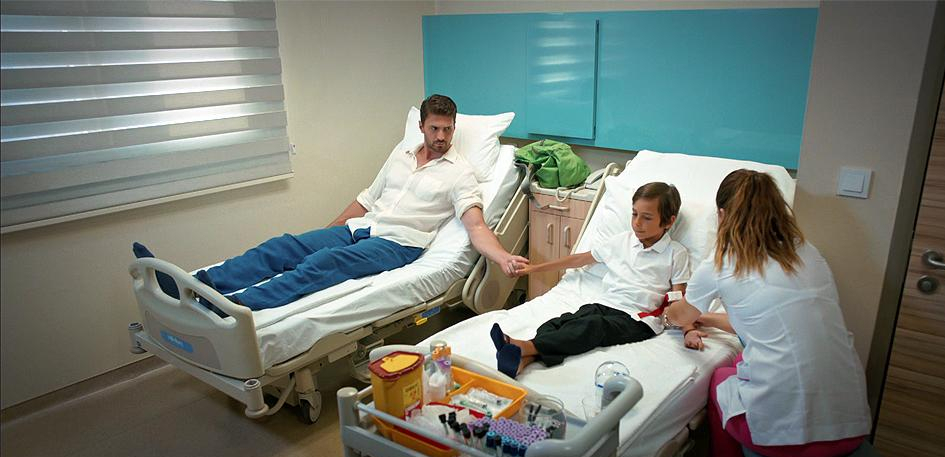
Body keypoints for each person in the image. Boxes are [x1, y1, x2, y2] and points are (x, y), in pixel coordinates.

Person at [134, 94, 528, 314]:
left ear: (454, 128)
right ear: (422, 126)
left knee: (322, 264)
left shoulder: (460, 173)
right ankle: (197, 285)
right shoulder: (401, 155)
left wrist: (502, 257)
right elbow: (365, 200)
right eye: (435, 128)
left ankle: (232, 307)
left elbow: (476, 226)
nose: (441, 136)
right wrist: (325, 233)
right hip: (359, 230)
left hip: (398, 245)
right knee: (283, 247)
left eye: (448, 129)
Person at [663, 169, 872, 457]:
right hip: (851, 424)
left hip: (792, 442)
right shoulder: (807, 254)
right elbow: (759, 322)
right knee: (741, 367)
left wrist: (674, 308)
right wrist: (706, 318)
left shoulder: (720, 263)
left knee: (721, 382)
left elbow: (681, 316)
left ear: (722, 215)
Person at [490, 182, 700, 377]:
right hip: (605, 305)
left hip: (638, 318)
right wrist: (534, 268)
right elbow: (579, 259)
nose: (637, 223)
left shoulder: (675, 253)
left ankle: (522, 346)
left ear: (669, 221)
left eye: (646, 217)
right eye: (634, 214)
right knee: (559, 323)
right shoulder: (622, 241)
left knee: (592, 326)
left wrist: (688, 330)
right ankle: (524, 360)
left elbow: (678, 298)